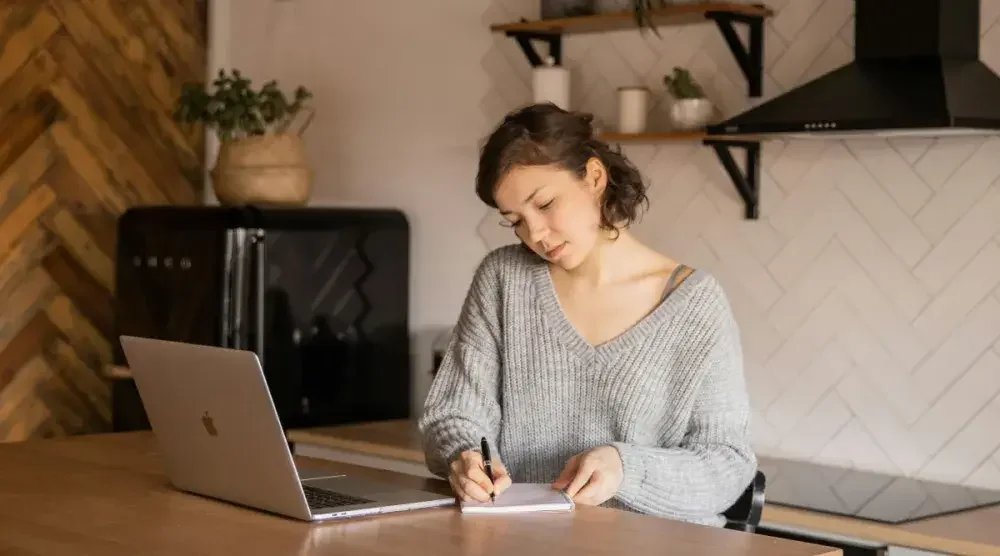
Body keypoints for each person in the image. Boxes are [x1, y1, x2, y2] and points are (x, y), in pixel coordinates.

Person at [417, 102, 756, 527]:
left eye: (544, 204)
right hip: (520, 544)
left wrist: (626, 468)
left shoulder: (695, 304)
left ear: (594, 178)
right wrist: (462, 456)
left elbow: (728, 465)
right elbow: (452, 414)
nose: (534, 234)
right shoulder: (503, 280)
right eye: (515, 220)